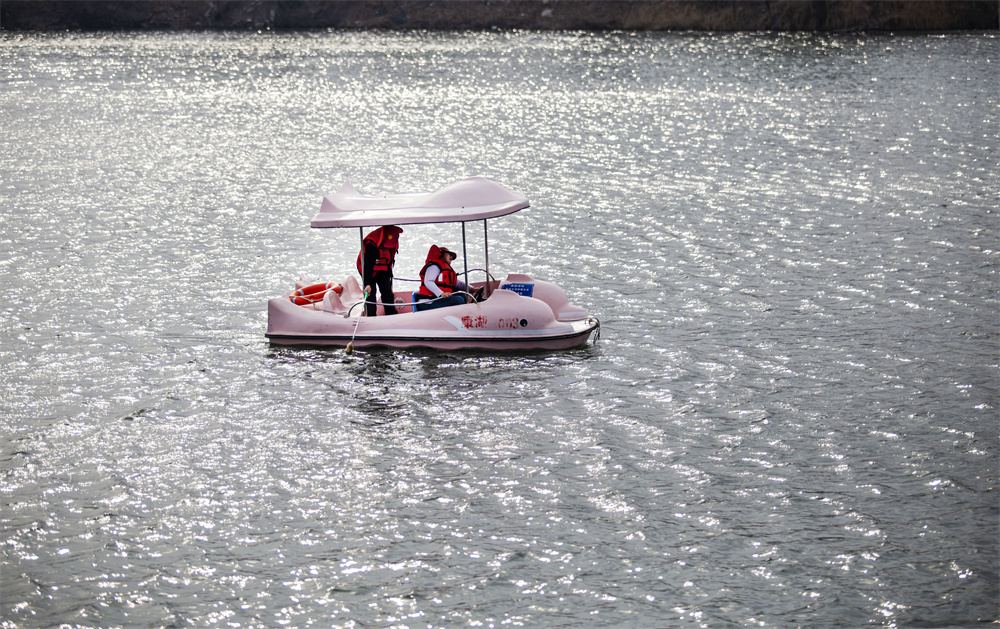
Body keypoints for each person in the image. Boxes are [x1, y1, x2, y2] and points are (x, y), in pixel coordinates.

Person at [356, 225, 403, 317]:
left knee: (387, 292)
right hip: (367, 269)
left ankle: (391, 314)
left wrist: (389, 275)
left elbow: (390, 259)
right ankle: (371, 316)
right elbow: (368, 265)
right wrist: (368, 283)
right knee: (371, 294)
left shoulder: (394, 239)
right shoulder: (371, 243)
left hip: (383, 268)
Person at [414, 245, 468, 311]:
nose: (451, 257)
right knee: (458, 300)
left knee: (461, 294)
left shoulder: (445, 269)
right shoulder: (434, 266)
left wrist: (472, 289)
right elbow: (428, 281)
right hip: (427, 303)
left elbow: (457, 283)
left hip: (436, 300)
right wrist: (441, 294)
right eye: (449, 254)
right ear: (441, 254)